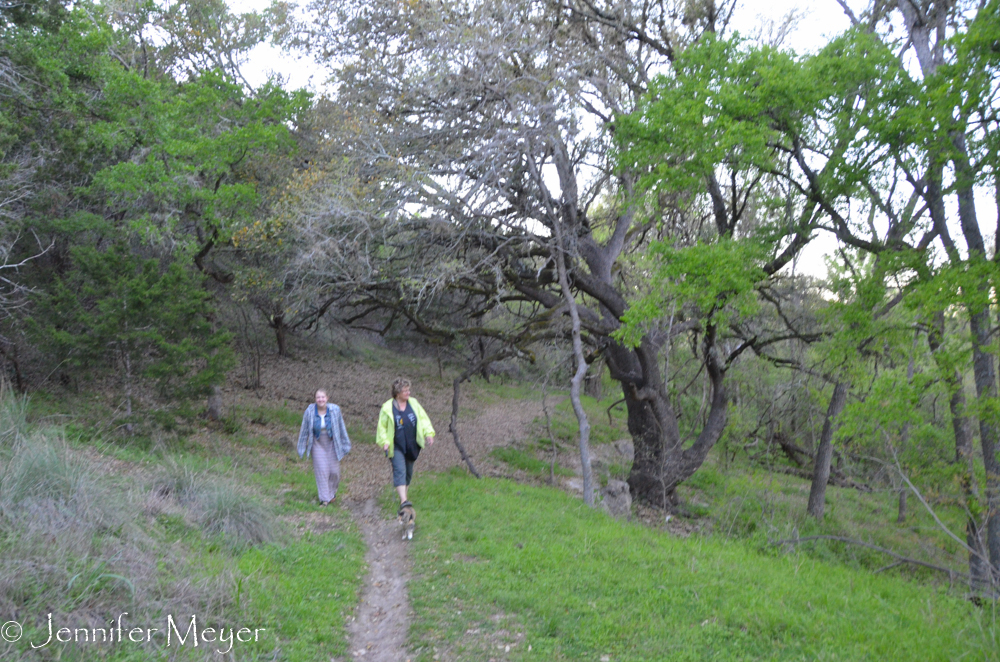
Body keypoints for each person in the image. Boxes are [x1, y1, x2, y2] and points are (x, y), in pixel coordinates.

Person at [376, 378, 435, 509]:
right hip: (396, 445)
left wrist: (429, 433)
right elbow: (382, 428)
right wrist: (385, 441)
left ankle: (405, 497)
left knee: (408, 472)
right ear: (397, 393)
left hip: (412, 444)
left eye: (408, 390)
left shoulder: (413, 403)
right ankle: (403, 501)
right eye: (405, 391)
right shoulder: (387, 407)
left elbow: (423, 419)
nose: (408, 393)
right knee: (400, 470)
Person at [297, 389, 351, 506]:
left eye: (322, 397)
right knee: (322, 471)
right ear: (315, 399)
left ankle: (331, 494)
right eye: (318, 397)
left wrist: (346, 444)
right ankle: (324, 499)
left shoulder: (335, 410)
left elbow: (341, 428)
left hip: (332, 443)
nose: (320, 399)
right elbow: (304, 430)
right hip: (317, 443)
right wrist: (301, 447)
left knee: (334, 471)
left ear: (327, 398)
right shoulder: (310, 411)